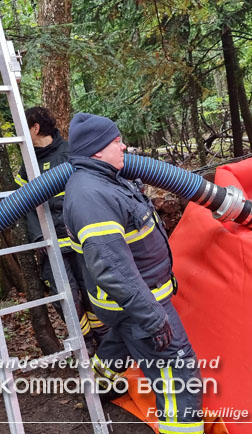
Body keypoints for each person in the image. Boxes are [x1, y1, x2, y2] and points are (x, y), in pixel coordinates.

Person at [63, 113, 204, 434]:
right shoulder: (91, 197)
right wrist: (152, 317)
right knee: (178, 377)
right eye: (117, 142)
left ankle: (99, 386)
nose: (123, 145)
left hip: (132, 304)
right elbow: (112, 269)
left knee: (122, 341)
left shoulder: (107, 179)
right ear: (98, 150)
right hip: (138, 305)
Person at [15, 107, 105, 350]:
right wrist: (38, 238)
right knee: (65, 296)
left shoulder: (71, 155)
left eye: (23, 127)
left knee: (91, 291)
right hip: (51, 246)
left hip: (80, 242)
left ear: (35, 128)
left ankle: (104, 340)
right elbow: (24, 206)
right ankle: (85, 342)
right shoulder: (28, 165)